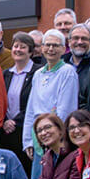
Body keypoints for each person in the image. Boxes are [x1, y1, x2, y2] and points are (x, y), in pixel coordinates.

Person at [21, 29, 79, 171]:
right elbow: (30, 109)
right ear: (42, 48)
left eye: (55, 45)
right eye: (47, 45)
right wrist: (27, 140)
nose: (51, 49)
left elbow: (66, 109)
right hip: (38, 137)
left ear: (63, 49)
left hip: (55, 138)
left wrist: (53, 135)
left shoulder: (67, 71)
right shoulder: (38, 74)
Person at [1, 32, 37, 170]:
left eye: (23, 47)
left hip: (25, 130)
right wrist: (4, 120)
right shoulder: (5, 74)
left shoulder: (37, 73)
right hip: (6, 131)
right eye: (15, 46)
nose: (18, 50)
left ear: (31, 52)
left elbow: (34, 102)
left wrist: (15, 121)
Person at [64, 24, 90, 90]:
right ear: (69, 42)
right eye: (76, 38)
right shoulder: (61, 64)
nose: (79, 42)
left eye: (84, 38)